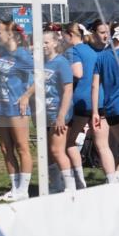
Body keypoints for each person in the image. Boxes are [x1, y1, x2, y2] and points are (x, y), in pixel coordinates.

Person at [0, 20, 35, 201]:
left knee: (22, 147)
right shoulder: (2, 54)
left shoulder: (22, 54)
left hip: (17, 108)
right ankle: (14, 188)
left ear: (10, 34)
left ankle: (23, 190)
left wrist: (26, 95)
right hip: (2, 107)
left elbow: (41, 76)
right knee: (5, 148)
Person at [63, 21, 102, 189]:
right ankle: (114, 177)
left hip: (80, 100)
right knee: (102, 145)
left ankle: (79, 181)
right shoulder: (91, 50)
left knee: (69, 143)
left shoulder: (73, 51)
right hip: (97, 99)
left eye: (64, 36)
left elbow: (77, 73)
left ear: (70, 35)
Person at [36, 30, 75, 193]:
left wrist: (61, 116)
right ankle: (56, 185)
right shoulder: (43, 63)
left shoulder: (61, 62)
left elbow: (68, 89)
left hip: (59, 112)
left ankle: (70, 186)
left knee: (57, 151)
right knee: (47, 152)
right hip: (45, 113)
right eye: (41, 42)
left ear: (55, 43)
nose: (43, 46)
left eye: (46, 42)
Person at [92, 24, 119, 183]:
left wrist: (95, 112)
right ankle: (116, 180)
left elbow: (95, 86)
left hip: (110, 110)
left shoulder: (102, 56)